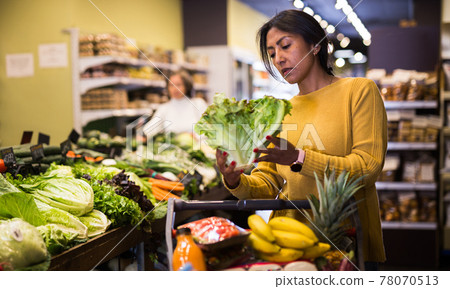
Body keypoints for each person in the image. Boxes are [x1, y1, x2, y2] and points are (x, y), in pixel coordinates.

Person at [215, 9, 387, 269]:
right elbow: (269, 181)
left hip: (347, 239)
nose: (279, 59)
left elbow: (368, 168)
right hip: (290, 242)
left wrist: (299, 158)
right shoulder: (281, 111)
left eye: (285, 46)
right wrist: (235, 179)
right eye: (272, 53)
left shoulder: (359, 91)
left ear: (316, 45)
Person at [143, 70, 208, 137]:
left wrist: (197, 136)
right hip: (172, 147)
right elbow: (148, 130)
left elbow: (210, 129)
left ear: (187, 86)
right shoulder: (164, 108)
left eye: (178, 85)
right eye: (171, 85)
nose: (175, 88)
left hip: (197, 146)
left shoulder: (198, 104)